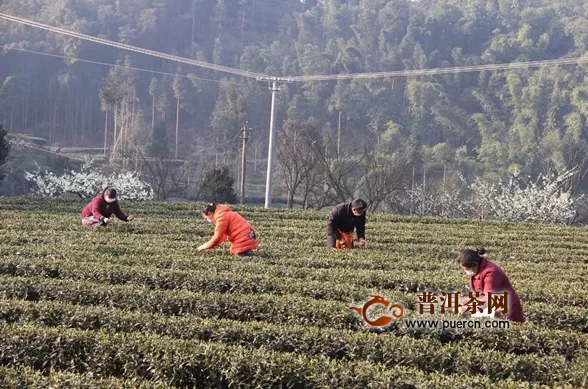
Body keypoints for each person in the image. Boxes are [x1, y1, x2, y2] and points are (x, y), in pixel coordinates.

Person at [457, 247, 524, 323]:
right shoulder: (477, 270)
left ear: (474, 265)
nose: (466, 272)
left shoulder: (491, 273)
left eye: (467, 269)